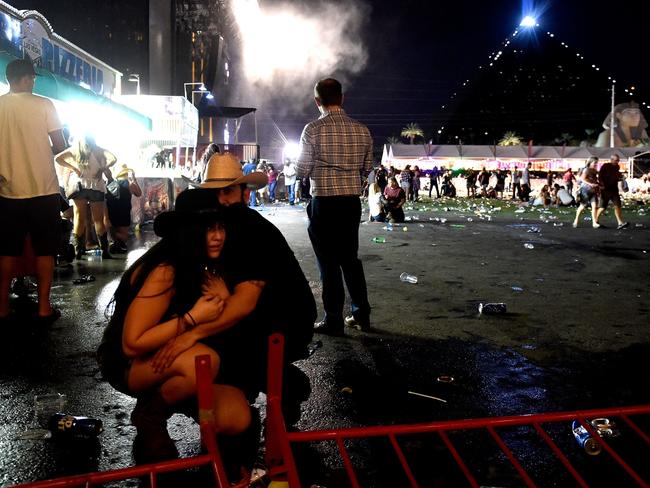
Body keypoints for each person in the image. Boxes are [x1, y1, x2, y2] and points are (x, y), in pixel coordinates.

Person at [97, 189, 252, 463]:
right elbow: (131, 344)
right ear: (190, 232)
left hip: (172, 363)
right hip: (129, 364)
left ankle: (170, 399)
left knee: (236, 418)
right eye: (208, 229)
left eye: (220, 228)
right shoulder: (165, 271)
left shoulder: (204, 265)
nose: (218, 236)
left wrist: (224, 299)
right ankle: (150, 417)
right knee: (204, 361)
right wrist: (192, 318)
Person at [197, 152, 316, 423]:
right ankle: (248, 386)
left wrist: (188, 332)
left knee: (213, 346)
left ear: (244, 194)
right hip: (260, 314)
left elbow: (245, 303)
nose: (221, 200)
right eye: (214, 193)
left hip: (284, 322)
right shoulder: (219, 225)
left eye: (227, 192)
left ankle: (286, 386)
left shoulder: (250, 229)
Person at [297, 78, 373, 335]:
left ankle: (333, 320)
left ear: (317, 101)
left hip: (324, 204)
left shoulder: (312, 129)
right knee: (350, 259)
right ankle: (361, 314)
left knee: (328, 264)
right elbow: (367, 169)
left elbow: (303, 169)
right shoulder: (362, 130)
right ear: (342, 98)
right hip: (350, 203)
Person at [0, 59, 68, 323]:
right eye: (33, 77)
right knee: (44, 250)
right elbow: (60, 144)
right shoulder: (44, 105)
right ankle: (43, 308)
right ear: (27, 78)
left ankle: (3, 307)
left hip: (8, 191)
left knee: (6, 250)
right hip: (43, 189)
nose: (34, 81)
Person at [56, 136, 117, 259]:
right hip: (96, 186)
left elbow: (58, 158)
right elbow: (113, 159)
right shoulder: (98, 149)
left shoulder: (75, 149)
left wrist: (73, 168)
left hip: (79, 187)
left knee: (79, 218)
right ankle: (104, 251)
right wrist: (103, 168)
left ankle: (79, 251)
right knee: (98, 220)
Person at [106, 165, 142, 254]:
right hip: (124, 212)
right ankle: (117, 242)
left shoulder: (110, 183)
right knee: (124, 236)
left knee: (115, 231)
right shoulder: (129, 184)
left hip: (111, 212)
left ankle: (112, 239)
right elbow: (139, 193)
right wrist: (134, 179)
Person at [596, 154, 629, 229]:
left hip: (614, 189)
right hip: (605, 189)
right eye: (616, 160)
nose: (617, 162)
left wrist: (621, 178)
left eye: (618, 160)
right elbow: (600, 176)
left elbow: (616, 176)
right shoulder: (605, 166)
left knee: (618, 205)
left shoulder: (617, 166)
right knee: (602, 207)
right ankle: (596, 221)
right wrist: (601, 185)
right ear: (611, 160)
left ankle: (620, 222)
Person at [572, 157, 601, 228]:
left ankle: (594, 223)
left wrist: (598, 184)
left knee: (594, 206)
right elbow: (582, 179)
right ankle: (576, 220)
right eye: (595, 163)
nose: (596, 164)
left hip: (593, 191)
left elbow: (595, 179)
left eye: (596, 163)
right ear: (590, 163)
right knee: (582, 206)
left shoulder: (594, 170)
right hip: (585, 190)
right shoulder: (586, 170)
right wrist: (590, 184)